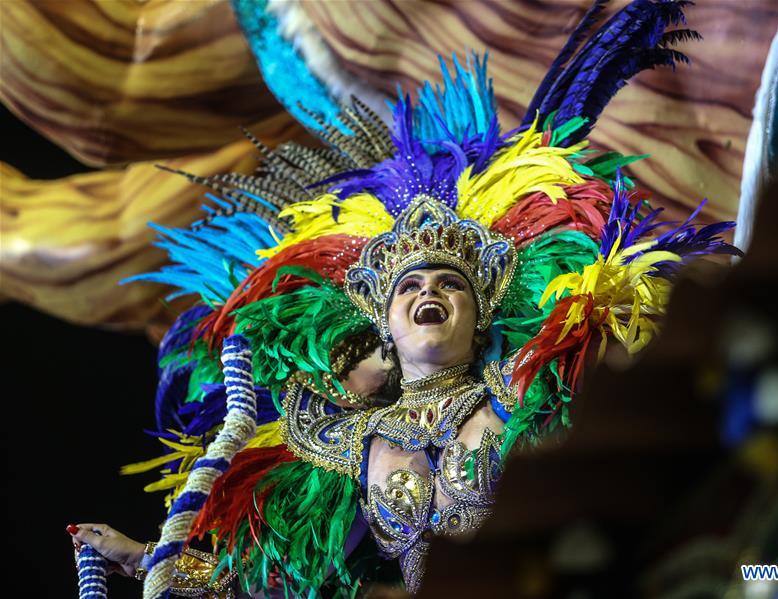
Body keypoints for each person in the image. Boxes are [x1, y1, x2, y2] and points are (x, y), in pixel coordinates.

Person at [68, 1, 740, 596]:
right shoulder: (345, 443)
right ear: (383, 324)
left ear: (482, 317)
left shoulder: (531, 389)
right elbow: (273, 583)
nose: (429, 291)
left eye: (451, 283)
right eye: (409, 287)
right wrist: (144, 559)